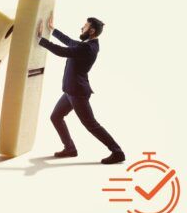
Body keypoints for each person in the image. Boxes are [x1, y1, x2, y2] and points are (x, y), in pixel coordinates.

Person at [37, 15, 125, 164]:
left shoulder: (88, 48)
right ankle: (70, 149)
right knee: (56, 117)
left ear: (91, 31)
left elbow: (62, 51)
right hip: (70, 92)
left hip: (77, 93)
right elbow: (70, 42)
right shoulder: (88, 44)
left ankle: (117, 152)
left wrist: (40, 39)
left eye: (84, 26)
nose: (81, 28)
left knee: (91, 124)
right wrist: (53, 30)